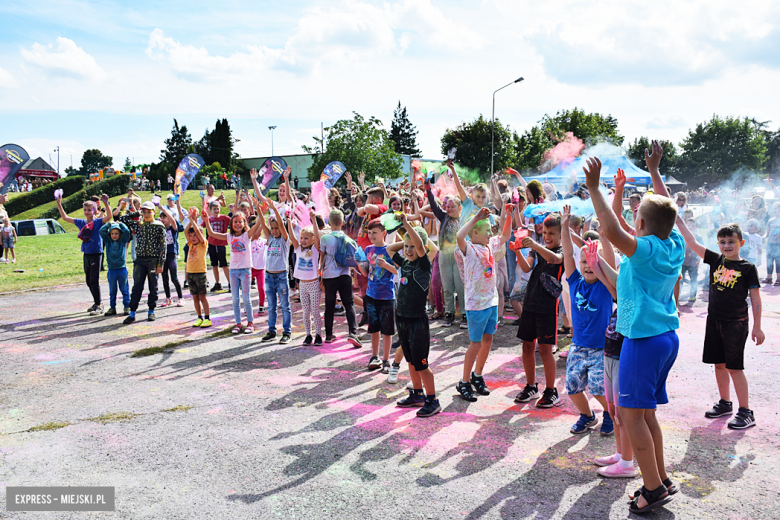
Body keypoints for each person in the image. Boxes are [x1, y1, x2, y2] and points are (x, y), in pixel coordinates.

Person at [586, 141, 683, 514]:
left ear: (640, 225)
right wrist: (655, 171)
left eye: (635, 214)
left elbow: (611, 231)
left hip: (643, 341)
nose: (631, 217)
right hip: (664, 338)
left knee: (630, 415)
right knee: (645, 415)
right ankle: (660, 477)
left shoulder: (643, 249)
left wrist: (596, 189)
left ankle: (653, 488)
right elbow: (663, 213)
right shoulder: (670, 242)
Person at [676, 219, 764, 430]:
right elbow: (691, 241)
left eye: (731, 241)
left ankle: (746, 412)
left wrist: (757, 326)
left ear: (741, 243)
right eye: (722, 241)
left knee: (734, 367)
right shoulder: (716, 260)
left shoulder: (748, 268)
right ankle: (725, 403)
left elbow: (756, 299)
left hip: (736, 323)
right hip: (714, 320)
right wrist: (678, 220)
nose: (726, 245)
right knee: (718, 364)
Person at [560, 206, 614, 436]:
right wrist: (564, 226)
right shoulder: (574, 282)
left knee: (599, 388)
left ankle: (610, 413)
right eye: (584, 261)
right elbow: (568, 253)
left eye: (591, 260)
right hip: (578, 345)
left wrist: (603, 237)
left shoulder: (604, 284)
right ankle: (587, 415)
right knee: (572, 387)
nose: (586, 265)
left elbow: (610, 260)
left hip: (601, 347)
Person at [453, 206, 512, 401]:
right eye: (487, 230)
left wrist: (509, 215)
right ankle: (464, 382)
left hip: (491, 302)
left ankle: (477, 376)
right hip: (476, 305)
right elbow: (460, 237)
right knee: (475, 344)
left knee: (488, 340)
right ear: (475, 233)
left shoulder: (490, 245)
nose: (490, 233)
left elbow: (505, 235)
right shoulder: (469, 248)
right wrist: (475, 218)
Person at [387, 216, 441, 416]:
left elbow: (420, 246)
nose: (408, 250)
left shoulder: (423, 265)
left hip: (417, 321)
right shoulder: (406, 264)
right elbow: (390, 250)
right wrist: (407, 236)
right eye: (406, 246)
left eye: (412, 247)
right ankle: (417, 394)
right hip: (402, 318)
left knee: (421, 363)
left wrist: (410, 228)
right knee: (410, 361)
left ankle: (432, 399)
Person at [514, 212, 564, 408]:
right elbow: (526, 268)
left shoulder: (560, 251)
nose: (547, 236)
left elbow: (555, 259)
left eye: (552, 233)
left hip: (548, 308)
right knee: (527, 346)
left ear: (561, 235)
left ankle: (551, 390)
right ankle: (531, 386)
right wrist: (518, 250)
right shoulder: (538, 249)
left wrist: (535, 245)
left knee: (545, 350)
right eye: (544, 233)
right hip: (530, 303)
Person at [204, 207, 264, 334]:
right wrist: (206, 221)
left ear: (244, 224)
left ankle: (250, 322)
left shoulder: (247, 235)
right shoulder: (229, 236)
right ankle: (238, 323)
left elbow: (259, 223)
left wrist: (260, 212)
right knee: (235, 299)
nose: (238, 224)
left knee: (246, 298)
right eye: (235, 221)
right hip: (233, 271)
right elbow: (212, 234)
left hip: (246, 271)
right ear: (231, 224)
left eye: (240, 221)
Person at [56, 193, 112, 315]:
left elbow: (109, 216)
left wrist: (106, 203)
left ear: (95, 210)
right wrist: (59, 204)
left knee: (94, 280)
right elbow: (65, 218)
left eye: (89, 210)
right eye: (85, 210)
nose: (86, 212)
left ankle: (99, 304)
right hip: (86, 253)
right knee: (88, 281)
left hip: (96, 253)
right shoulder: (81, 222)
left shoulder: (98, 222)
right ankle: (96, 302)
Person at [319, 208, 362, 347]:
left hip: (329, 276)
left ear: (329, 223)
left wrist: (320, 274)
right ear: (343, 222)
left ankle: (329, 335)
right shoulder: (348, 239)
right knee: (349, 304)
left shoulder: (325, 238)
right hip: (345, 275)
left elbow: (322, 258)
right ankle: (353, 333)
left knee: (329, 305)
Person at [358, 220, 396, 373]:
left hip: (387, 295)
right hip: (371, 294)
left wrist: (386, 265)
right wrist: (359, 264)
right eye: (370, 232)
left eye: (375, 232)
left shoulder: (390, 250)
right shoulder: (368, 249)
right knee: (374, 328)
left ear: (383, 232)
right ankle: (375, 356)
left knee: (387, 330)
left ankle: (386, 359)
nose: (371, 235)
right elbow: (367, 273)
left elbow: (398, 271)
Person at [426, 185, 464, 327]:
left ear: (459, 208)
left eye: (452, 207)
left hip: (458, 255)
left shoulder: (464, 218)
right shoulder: (444, 217)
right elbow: (434, 206)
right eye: (447, 207)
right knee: (447, 286)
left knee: (460, 286)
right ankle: (449, 314)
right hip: (444, 254)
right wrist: (429, 190)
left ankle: (465, 315)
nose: (448, 209)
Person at [123, 201, 167, 324]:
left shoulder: (159, 226)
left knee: (153, 286)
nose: (146, 214)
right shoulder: (138, 224)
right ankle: (132, 313)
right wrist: (137, 212)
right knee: (137, 286)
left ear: (154, 212)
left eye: (149, 212)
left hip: (153, 260)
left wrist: (160, 263)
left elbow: (163, 247)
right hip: (140, 260)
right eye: (144, 212)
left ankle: (151, 310)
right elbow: (122, 219)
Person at [257, 191, 292, 344]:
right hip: (269, 276)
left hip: (281, 276)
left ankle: (287, 332)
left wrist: (275, 209)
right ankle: (272, 331)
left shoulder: (285, 239)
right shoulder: (270, 238)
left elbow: (280, 223)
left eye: (277, 228)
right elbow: (263, 223)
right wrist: (258, 208)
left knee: (285, 306)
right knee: (271, 306)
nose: (274, 230)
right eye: (273, 228)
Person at [288, 208, 323, 345]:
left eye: (306, 238)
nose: (302, 240)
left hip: (313, 284)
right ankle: (308, 335)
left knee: (315, 311)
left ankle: (318, 335)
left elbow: (317, 235)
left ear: (313, 239)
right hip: (302, 284)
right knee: (305, 311)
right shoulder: (297, 249)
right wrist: (290, 223)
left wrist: (314, 220)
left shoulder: (315, 249)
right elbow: (292, 237)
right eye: (301, 238)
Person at [183, 208, 212, 327]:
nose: (193, 237)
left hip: (200, 273)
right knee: (195, 297)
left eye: (195, 235)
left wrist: (192, 220)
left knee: (202, 297)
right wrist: (191, 219)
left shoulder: (203, 244)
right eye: (191, 236)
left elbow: (199, 233)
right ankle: (199, 317)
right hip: (190, 273)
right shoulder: (190, 244)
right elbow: (185, 231)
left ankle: (207, 318)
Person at [98, 222, 132, 316]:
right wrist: (109, 224)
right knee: (112, 291)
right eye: (112, 233)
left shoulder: (123, 240)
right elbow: (101, 231)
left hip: (121, 269)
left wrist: (120, 224)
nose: (114, 235)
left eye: (116, 233)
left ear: (120, 234)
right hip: (111, 270)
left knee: (124, 289)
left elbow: (127, 231)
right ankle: (112, 307)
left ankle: (126, 306)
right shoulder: (108, 241)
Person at [159, 205, 185, 308]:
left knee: (174, 277)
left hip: (171, 254)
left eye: (164, 217)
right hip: (162, 255)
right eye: (161, 217)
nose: (162, 219)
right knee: (164, 277)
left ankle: (180, 298)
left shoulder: (173, 228)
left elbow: (173, 221)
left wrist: (163, 209)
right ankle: (168, 298)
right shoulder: (160, 229)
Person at [205, 200, 231, 292]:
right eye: (214, 209)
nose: (216, 211)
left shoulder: (224, 218)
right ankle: (218, 283)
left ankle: (230, 283)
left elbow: (234, 220)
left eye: (218, 209)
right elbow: (201, 226)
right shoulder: (209, 219)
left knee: (224, 264)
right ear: (211, 210)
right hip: (212, 244)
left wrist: (233, 210)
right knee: (214, 264)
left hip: (221, 244)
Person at [680, 218, 702, 304]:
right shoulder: (681, 236)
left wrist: (698, 260)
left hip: (693, 262)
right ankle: (678, 294)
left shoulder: (698, 237)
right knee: (680, 279)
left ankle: (692, 295)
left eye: (692, 226)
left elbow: (701, 249)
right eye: (688, 225)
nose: (690, 227)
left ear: (696, 227)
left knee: (693, 279)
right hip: (682, 261)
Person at [249, 214, 267, 316]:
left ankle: (261, 305)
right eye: (256, 230)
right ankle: (248, 306)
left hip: (260, 269)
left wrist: (265, 223)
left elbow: (271, 240)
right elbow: (255, 233)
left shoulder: (263, 241)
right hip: (250, 269)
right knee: (246, 288)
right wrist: (261, 220)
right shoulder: (250, 240)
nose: (259, 233)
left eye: (260, 232)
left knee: (261, 288)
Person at [764, 202, 780, 284]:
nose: (774, 210)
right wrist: (763, 237)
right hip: (770, 243)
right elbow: (767, 232)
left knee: (778, 261)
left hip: (779, 244)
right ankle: (769, 278)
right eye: (773, 208)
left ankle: (778, 279)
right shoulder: (771, 220)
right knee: (769, 260)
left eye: (776, 208)